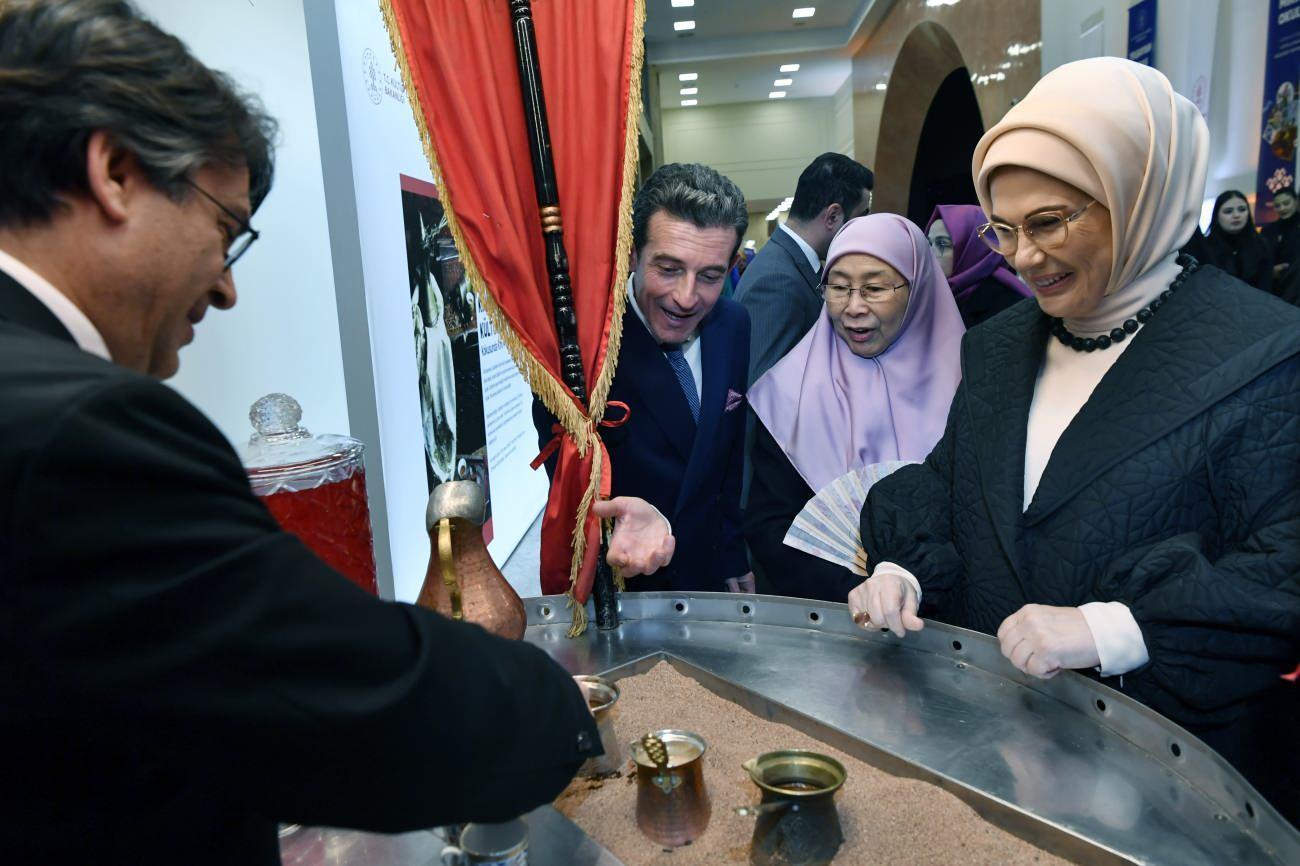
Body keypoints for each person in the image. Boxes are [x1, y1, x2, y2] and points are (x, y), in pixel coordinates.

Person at [0, 2, 678, 860]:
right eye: (225, 230)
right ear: (116, 172)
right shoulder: (81, 428)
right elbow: (310, 683)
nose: (226, 289)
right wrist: (551, 710)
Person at [847, 58, 1300, 823]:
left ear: (1138, 197)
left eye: (1049, 222)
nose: (1023, 258)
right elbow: (954, 485)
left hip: (1162, 786)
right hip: (992, 753)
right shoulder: (996, 347)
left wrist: (1111, 628)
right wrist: (903, 568)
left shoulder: (1266, 352)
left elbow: (1281, 566)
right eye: (1003, 229)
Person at [536, 163, 753, 593]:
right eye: (668, 269)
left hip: (708, 577)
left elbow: (726, 461)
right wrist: (613, 522)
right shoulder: (579, 348)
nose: (686, 297)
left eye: (710, 276)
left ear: (731, 265)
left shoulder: (734, 325)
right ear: (631, 254)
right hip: (625, 585)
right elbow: (567, 489)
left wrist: (732, 555)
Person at [744, 213, 963, 602]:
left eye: (875, 288)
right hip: (827, 611)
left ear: (917, 289)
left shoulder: (971, 388)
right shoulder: (790, 392)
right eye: (839, 287)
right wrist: (855, 593)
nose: (853, 306)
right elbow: (772, 523)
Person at [735, 152, 875, 385]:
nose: (861, 231)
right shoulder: (778, 282)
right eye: (858, 219)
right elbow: (761, 392)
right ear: (833, 216)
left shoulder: (790, 264)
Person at [926, 203, 1031, 327]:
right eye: (929, 244)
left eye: (942, 244)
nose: (930, 254)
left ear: (972, 249)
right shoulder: (931, 295)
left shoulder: (1008, 306)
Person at [1200, 189, 1274, 292]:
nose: (1236, 215)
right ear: (1216, 216)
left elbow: (1266, 286)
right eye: (1228, 211)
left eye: (1242, 209)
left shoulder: (1261, 245)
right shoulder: (1205, 247)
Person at [1261, 187, 1300, 278]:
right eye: (1277, 206)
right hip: (1275, 280)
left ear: (1296, 202)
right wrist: (1270, 270)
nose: (1282, 208)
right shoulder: (1268, 230)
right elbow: (1262, 258)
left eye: (1286, 203)